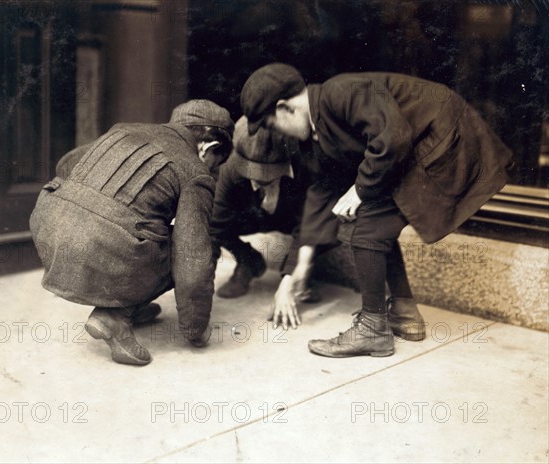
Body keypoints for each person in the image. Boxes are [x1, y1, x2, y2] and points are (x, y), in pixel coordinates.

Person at [240, 63, 513, 357]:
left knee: (367, 225)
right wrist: (299, 266)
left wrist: (359, 190)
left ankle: (373, 328)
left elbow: (392, 136)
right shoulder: (318, 132)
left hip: (444, 138)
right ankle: (404, 314)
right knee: (375, 225)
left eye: (270, 124)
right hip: (421, 145)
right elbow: (322, 192)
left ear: (285, 108)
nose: (280, 135)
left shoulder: (341, 91)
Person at [30, 100, 234, 366]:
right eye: (215, 165)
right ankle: (115, 316)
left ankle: (128, 299)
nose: (213, 173)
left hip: (47, 223)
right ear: (209, 147)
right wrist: (196, 328)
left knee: (144, 231)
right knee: (187, 248)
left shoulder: (125, 129)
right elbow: (192, 264)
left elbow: (65, 164)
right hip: (100, 243)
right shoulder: (195, 171)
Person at [210, 116, 337, 310]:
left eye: (269, 172)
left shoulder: (305, 165)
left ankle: (302, 275)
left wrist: (290, 276)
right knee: (207, 220)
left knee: (328, 225)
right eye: (253, 171)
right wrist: (199, 280)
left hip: (292, 219)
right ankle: (249, 261)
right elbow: (215, 226)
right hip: (250, 217)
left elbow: (310, 224)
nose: (261, 178)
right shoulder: (230, 169)